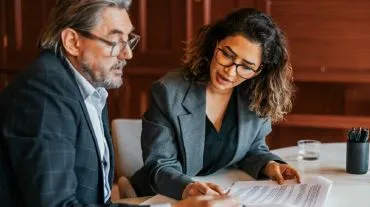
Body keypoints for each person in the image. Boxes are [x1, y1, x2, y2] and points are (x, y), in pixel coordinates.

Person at [0, 0, 240, 207]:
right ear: (73, 41)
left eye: (129, 40)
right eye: (115, 42)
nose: (128, 54)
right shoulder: (45, 94)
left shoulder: (86, 86)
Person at [131, 8, 301, 200]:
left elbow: (252, 149)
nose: (230, 72)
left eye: (246, 66)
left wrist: (270, 165)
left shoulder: (255, 95)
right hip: (162, 195)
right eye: (227, 55)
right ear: (216, 44)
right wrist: (189, 188)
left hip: (220, 189)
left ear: (259, 70)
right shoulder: (169, 91)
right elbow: (159, 165)